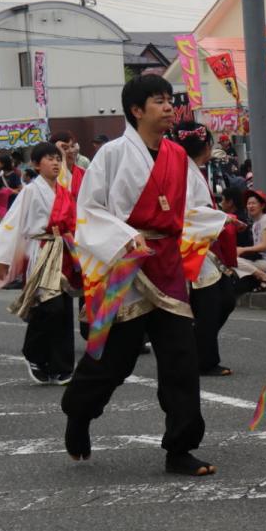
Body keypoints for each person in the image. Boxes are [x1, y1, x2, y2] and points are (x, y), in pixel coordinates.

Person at [60, 74, 229, 477]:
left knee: (181, 361)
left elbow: (195, 207)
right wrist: (126, 237)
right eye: (159, 101)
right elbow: (90, 211)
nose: (169, 107)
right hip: (125, 264)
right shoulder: (113, 154)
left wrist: (216, 221)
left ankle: (180, 447)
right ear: (137, 110)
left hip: (167, 265)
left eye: (171, 100)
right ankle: (78, 413)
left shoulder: (178, 157)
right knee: (113, 363)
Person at [0, 142, 80, 385]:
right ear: (36, 165)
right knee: (50, 307)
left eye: (58, 159)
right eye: (49, 159)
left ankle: (62, 366)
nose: (56, 163)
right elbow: (12, 223)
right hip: (41, 251)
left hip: (64, 252)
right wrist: (2, 257)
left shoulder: (64, 191)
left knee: (64, 309)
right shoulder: (29, 191)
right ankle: (35, 353)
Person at [174, 121, 239, 378]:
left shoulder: (191, 170)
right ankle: (202, 358)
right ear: (206, 145)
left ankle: (195, 348)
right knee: (213, 302)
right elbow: (188, 212)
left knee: (222, 299)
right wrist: (223, 218)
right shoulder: (185, 172)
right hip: (192, 245)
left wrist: (219, 219)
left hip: (201, 242)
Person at [235, 189, 266, 292]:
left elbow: (265, 245)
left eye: (253, 203)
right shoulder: (255, 224)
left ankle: (264, 277)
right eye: (248, 204)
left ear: (262, 205)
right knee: (232, 260)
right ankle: (262, 278)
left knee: (235, 262)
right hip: (261, 260)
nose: (250, 206)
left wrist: (243, 250)